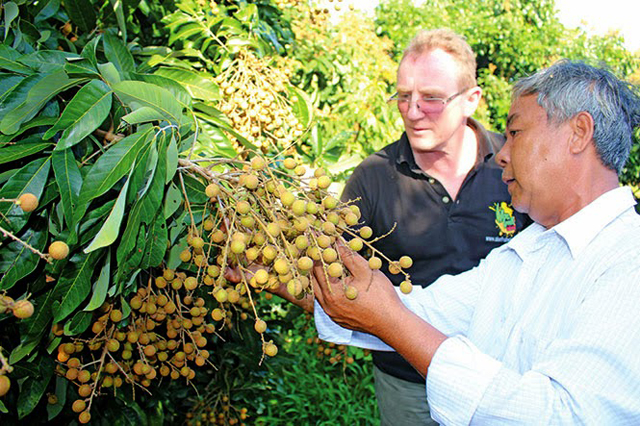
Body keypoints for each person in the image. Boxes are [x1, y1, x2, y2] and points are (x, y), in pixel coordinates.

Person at [312, 59, 640, 424]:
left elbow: (562, 415)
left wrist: (391, 320)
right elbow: (420, 311)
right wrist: (278, 272)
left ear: (578, 133)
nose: (502, 153)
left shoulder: (629, 263)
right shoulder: (525, 253)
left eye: (515, 133)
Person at [337, 28, 529, 425]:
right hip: (408, 382)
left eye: (432, 98)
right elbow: (337, 273)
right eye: (403, 96)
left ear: (471, 100)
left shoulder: (514, 168)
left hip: (499, 382)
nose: (412, 110)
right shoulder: (372, 178)